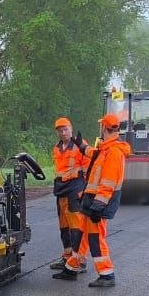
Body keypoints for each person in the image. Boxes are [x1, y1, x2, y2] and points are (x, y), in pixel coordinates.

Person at [53, 112, 128, 287]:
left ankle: (107, 275)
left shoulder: (114, 152)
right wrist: (80, 145)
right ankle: (72, 268)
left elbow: (108, 183)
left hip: (98, 204)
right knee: (82, 236)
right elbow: (93, 154)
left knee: (96, 238)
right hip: (91, 200)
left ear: (104, 128)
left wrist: (98, 205)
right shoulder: (106, 149)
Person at [49, 116, 90, 272]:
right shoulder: (57, 148)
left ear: (71, 129)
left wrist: (86, 189)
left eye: (65, 130)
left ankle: (79, 260)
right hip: (61, 189)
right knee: (64, 225)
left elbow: (87, 168)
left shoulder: (80, 145)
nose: (63, 133)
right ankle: (67, 257)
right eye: (60, 131)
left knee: (76, 225)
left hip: (75, 188)